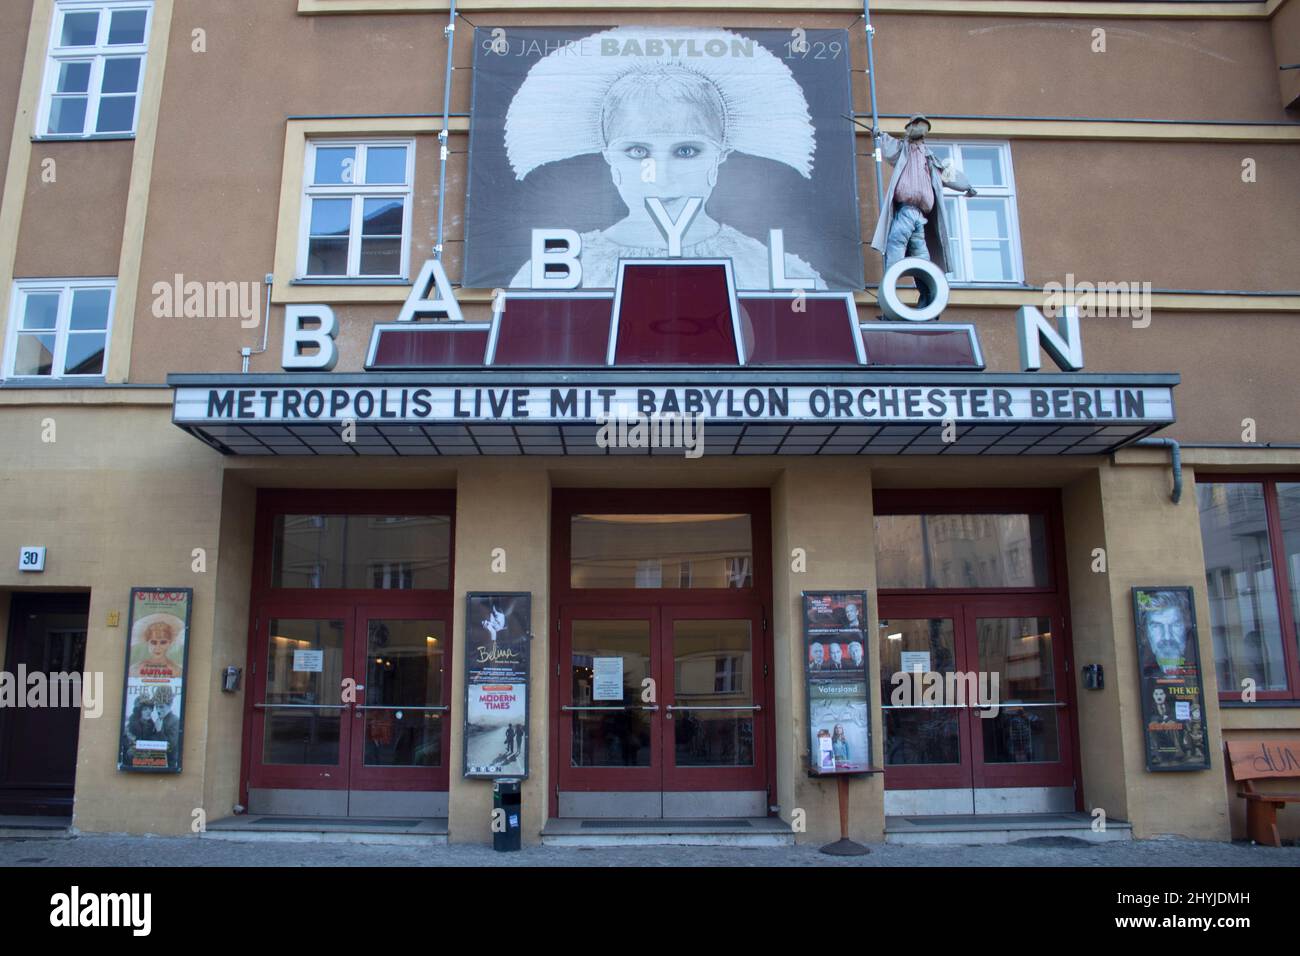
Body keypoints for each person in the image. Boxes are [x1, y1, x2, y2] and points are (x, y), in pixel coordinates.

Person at [505, 27, 825, 290]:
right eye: (637, 151)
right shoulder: (560, 270)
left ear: (720, 156)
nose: (660, 175)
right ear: (610, 160)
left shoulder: (769, 271)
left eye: (686, 151)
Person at [868, 115, 977, 307]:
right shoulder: (903, 149)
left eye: (922, 126)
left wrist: (967, 186)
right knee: (896, 248)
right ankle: (889, 297)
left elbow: (949, 174)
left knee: (921, 259)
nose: (919, 129)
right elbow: (888, 146)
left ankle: (927, 298)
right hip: (905, 211)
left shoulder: (930, 157)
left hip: (920, 217)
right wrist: (879, 136)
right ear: (910, 128)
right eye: (916, 125)